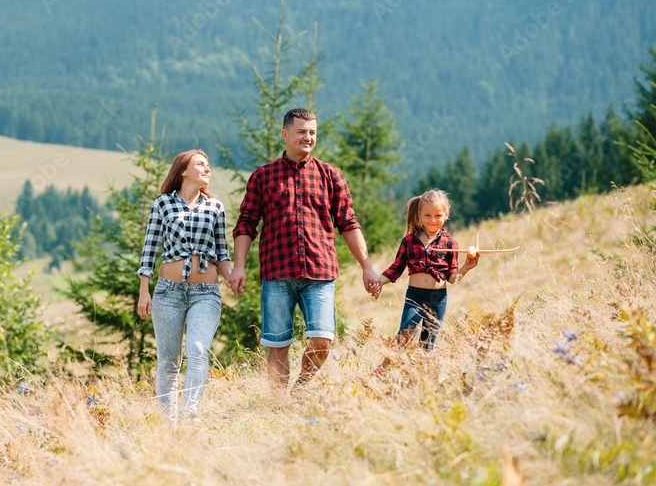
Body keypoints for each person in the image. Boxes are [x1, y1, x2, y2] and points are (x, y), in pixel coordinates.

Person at [229, 108, 382, 389]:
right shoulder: (262, 177)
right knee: (278, 345)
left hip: (321, 272)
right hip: (277, 273)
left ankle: (300, 388)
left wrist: (367, 268)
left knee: (322, 340)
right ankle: (278, 406)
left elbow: (348, 223)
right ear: (285, 134)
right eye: (301, 132)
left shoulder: (331, 175)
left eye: (312, 132)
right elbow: (246, 224)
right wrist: (238, 267)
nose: (308, 137)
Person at [137, 149, 233, 422]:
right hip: (168, 292)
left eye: (208, 164)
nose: (207, 168)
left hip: (206, 293)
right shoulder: (163, 204)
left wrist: (233, 276)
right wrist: (144, 290)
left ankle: (190, 414)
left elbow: (221, 252)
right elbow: (149, 249)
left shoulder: (216, 207)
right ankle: (169, 424)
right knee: (168, 362)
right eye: (200, 163)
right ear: (183, 171)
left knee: (198, 350)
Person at [376, 189, 480, 350]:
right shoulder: (409, 241)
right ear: (419, 214)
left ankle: (422, 373)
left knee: (427, 343)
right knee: (404, 334)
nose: (433, 220)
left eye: (438, 215)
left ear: (446, 215)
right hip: (414, 296)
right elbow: (396, 267)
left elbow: (452, 278)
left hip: (438, 298)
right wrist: (380, 281)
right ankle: (384, 369)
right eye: (427, 215)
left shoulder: (450, 244)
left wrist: (466, 267)